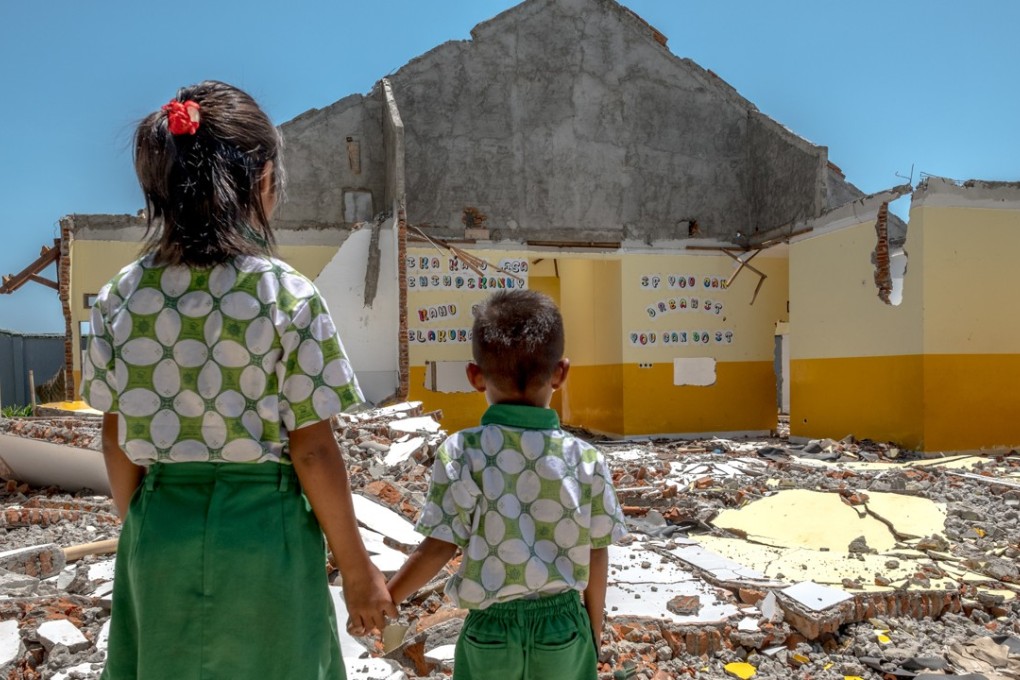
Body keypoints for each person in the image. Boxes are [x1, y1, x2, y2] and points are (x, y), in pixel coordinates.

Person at [80, 80, 396, 680]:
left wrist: (143, 527)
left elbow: (116, 435)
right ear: (264, 181)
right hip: (264, 535)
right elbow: (313, 447)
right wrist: (357, 567)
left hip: (161, 528)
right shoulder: (287, 295)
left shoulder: (124, 294)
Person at [386, 289, 628, 680]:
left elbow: (441, 544)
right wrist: (592, 631)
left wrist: (388, 598)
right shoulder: (586, 459)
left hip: (490, 629)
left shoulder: (463, 451)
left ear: (475, 377)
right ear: (561, 373)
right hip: (563, 627)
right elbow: (596, 553)